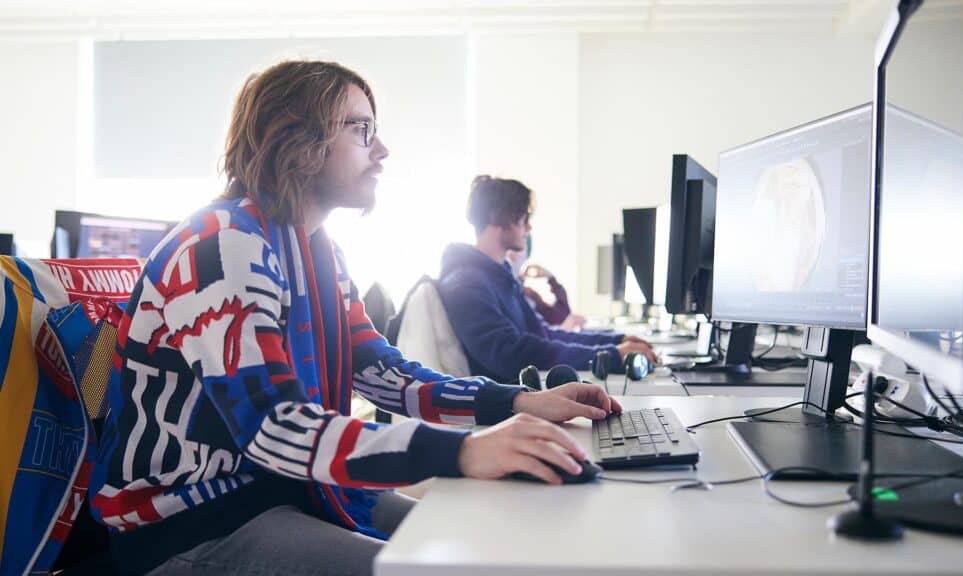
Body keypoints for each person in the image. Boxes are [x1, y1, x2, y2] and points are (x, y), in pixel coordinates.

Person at [88, 60, 622, 576]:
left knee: (490, 542)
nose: (382, 150)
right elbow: (274, 427)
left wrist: (515, 401)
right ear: (297, 138)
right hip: (195, 523)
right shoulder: (222, 246)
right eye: (362, 130)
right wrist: (460, 451)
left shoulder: (316, 248)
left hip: (286, 490)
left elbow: (383, 373)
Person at [438, 175, 656, 383]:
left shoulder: (498, 276)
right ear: (497, 217)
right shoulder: (466, 283)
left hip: (530, 392)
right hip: (510, 406)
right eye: (524, 219)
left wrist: (616, 342)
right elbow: (512, 354)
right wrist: (611, 356)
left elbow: (544, 335)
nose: (528, 228)